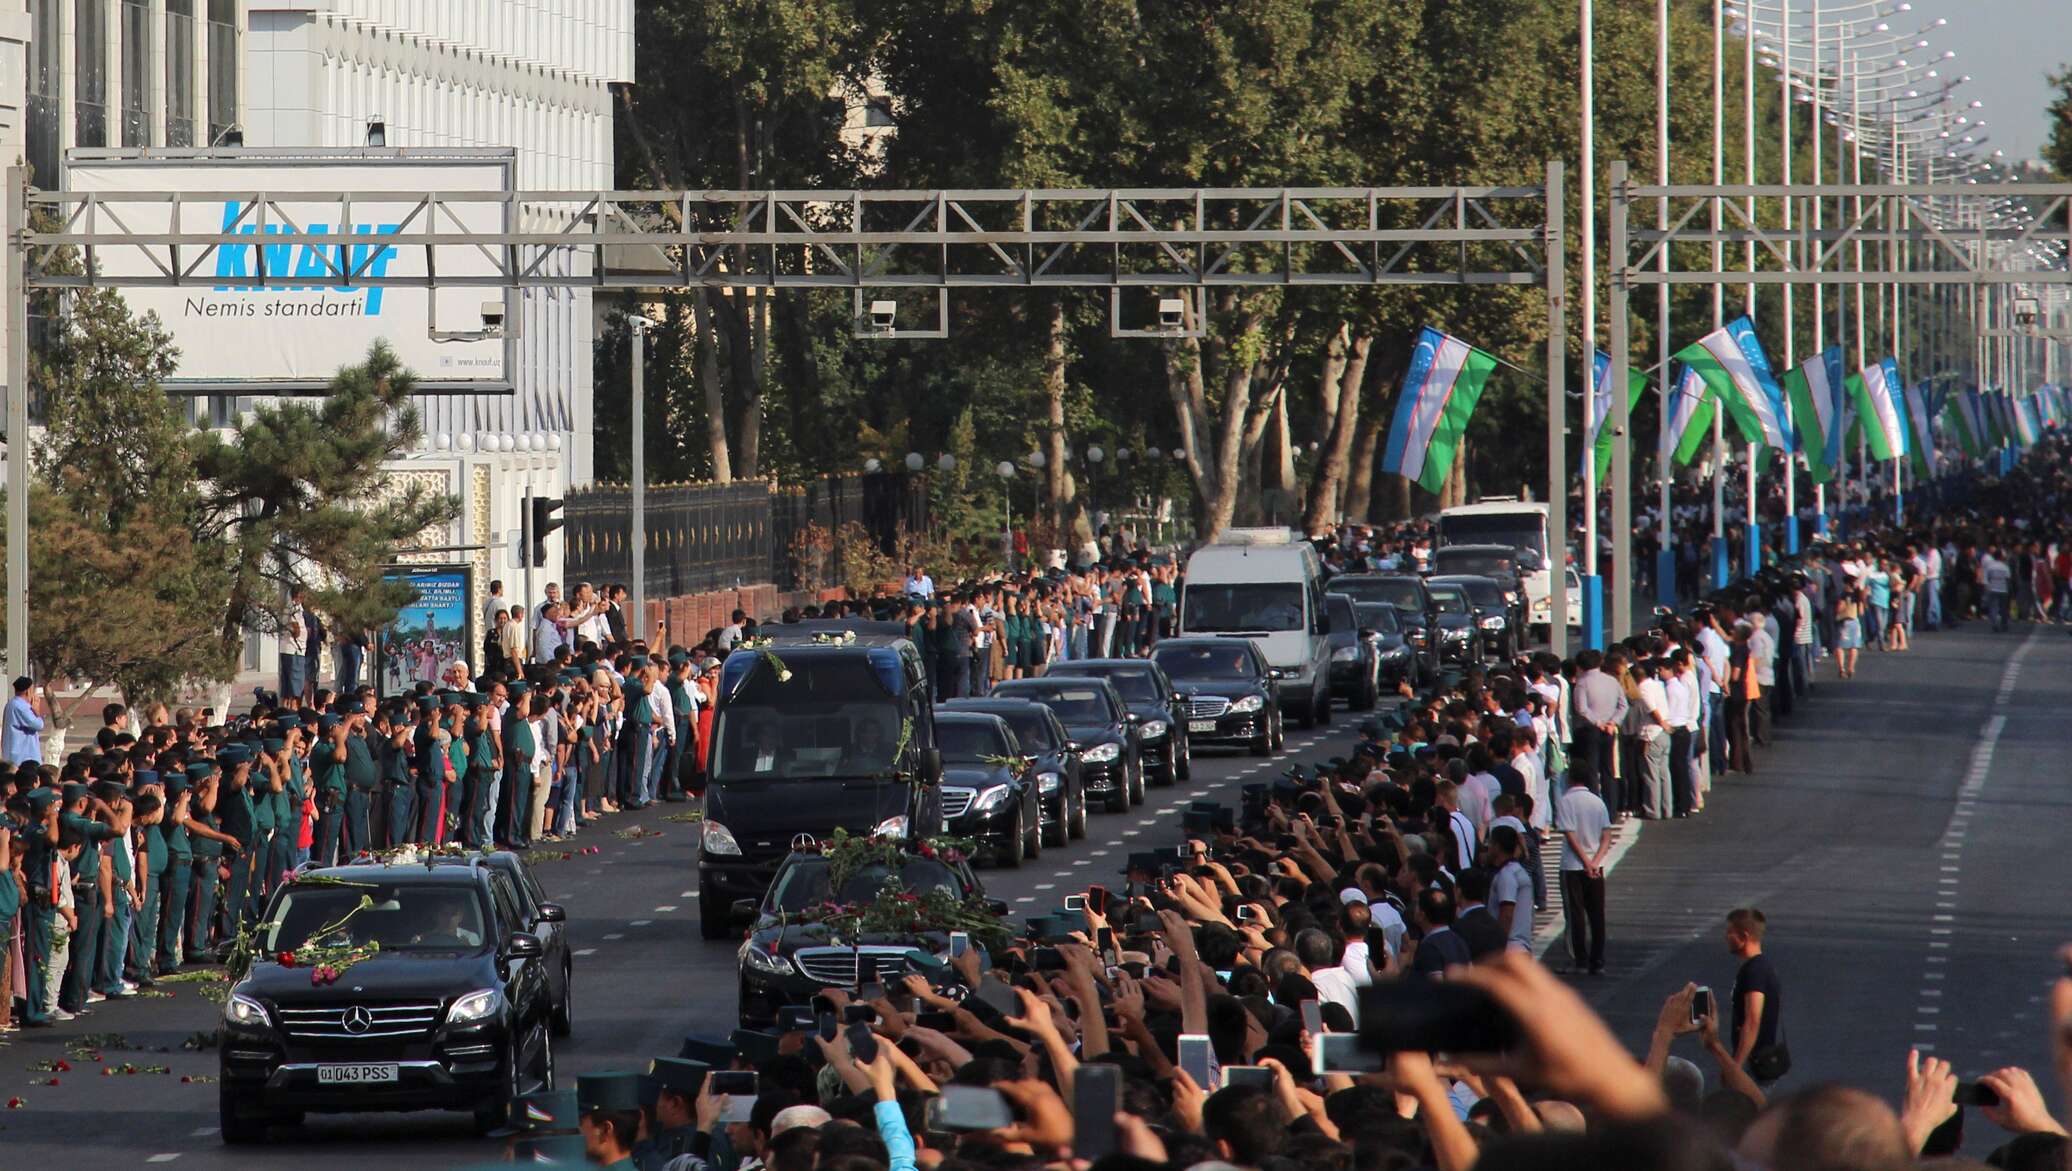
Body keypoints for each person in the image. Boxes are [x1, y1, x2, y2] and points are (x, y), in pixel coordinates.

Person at [1555, 766, 1611, 975]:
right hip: (1597, 867)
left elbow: (1570, 835)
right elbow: (1606, 835)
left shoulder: (1566, 801)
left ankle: (1580, 960)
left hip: (1572, 866)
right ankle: (1598, 960)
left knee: (1575, 914)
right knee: (1597, 915)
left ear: (1570, 779)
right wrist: (1595, 861)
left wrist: (1585, 861)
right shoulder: (1598, 801)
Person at [1728, 906, 1786, 1083]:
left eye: (1730, 932)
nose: (1725, 937)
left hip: (1754, 1064)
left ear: (1744, 937)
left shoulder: (1755, 971)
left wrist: (1735, 1067)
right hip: (1757, 1061)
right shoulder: (1758, 967)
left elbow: (1753, 1020)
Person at [5, 677, 44, 766]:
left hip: (13, 754)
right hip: (24, 757)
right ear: (28, 691)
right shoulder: (22, 707)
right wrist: (37, 711)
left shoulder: (12, 703)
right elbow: (39, 725)